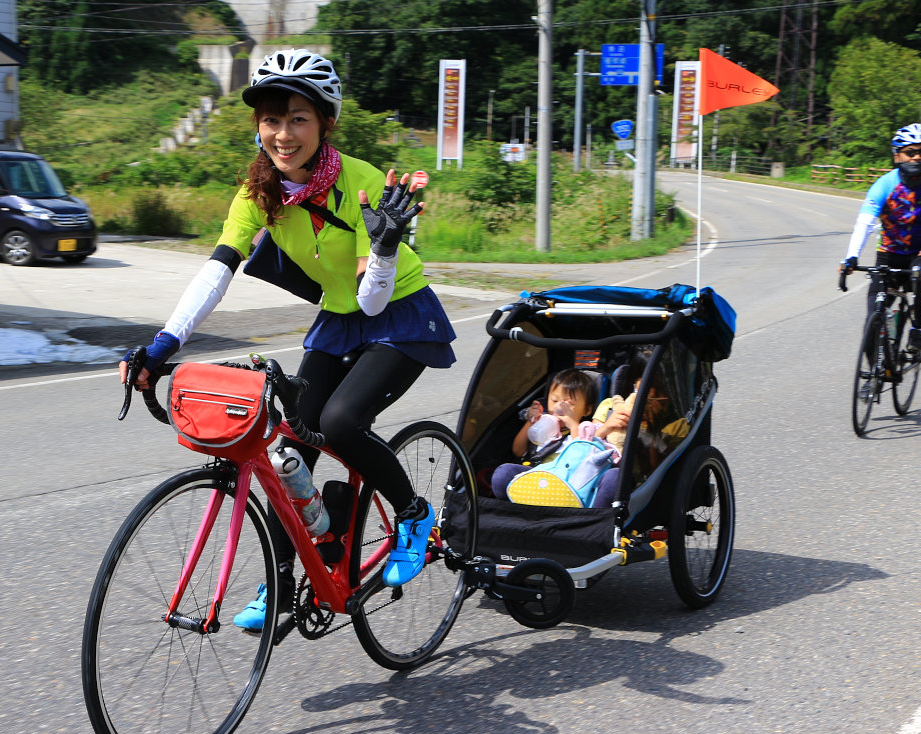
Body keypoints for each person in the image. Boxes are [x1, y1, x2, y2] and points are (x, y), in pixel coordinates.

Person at [120, 49, 457, 631]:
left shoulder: (363, 183)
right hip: (337, 318)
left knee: (343, 421)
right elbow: (217, 270)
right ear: (258, 127)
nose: (283, 134)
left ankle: (413, 514)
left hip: (397, 315)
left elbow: (373, 299)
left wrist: (381, 247)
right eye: (271, 120)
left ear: (325, 123)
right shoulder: (257, 194)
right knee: (287, 450)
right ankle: (281, 575)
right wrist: (161, 346)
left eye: (298, 118)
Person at [842, 123, 921, 351]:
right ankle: (872, 382)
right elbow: (865, 223)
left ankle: (917, 329)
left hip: (918, 254)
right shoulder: (885, 185)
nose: (916, 157)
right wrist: (851, 257)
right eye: (910, 152)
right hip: (888, 256)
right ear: (897, 156)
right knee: (872, 321)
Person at [490, 368, 597, 500]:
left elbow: (583, 457)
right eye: (554, 400)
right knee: (503, 474)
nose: (560, 407)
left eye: (570, 404)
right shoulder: (543, 425)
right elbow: (518, 450)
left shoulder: (583, 431)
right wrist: (531, 421)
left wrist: (573, 424)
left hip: (564, 485)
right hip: (534, 480)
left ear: (587, 409)